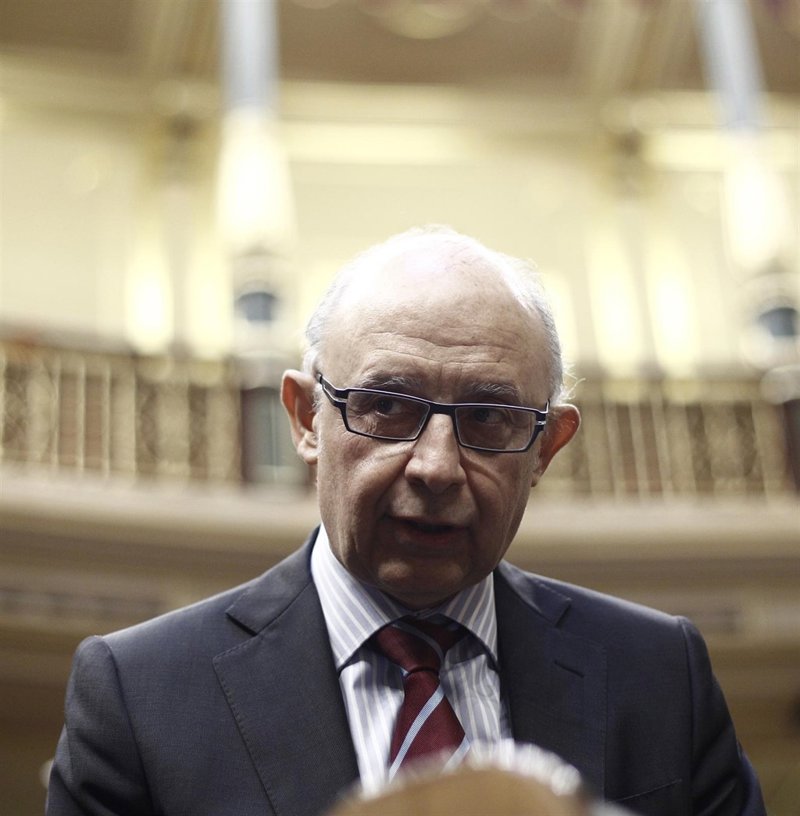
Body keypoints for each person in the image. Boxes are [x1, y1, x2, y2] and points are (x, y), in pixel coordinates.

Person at [47, 226, 765, 816]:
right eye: (387, 406)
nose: (436, 467)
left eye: (488, 417)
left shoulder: (659, 676)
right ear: (305, 419)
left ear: (547, 448)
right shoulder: (141, 693)